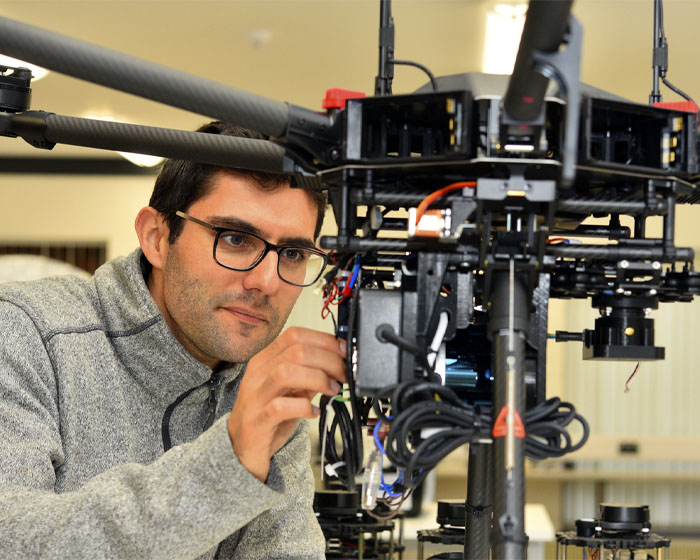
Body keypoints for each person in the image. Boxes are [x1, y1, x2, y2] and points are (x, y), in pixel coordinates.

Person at [0, 122, 346, 559]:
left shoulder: (260, 389)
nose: (265, 282)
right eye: (235, 239)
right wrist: (230, 458)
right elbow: (13, 542)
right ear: (157, 238)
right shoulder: (26, 334)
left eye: (293, 254)